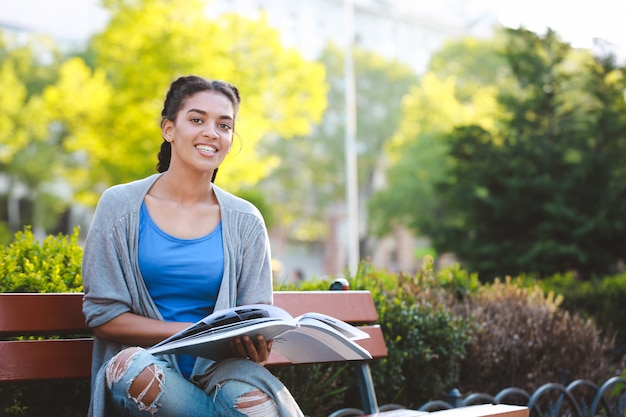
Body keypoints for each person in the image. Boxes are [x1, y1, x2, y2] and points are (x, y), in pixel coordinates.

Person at [82, 75, 304, 417]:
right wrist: (190, 334)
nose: (211, 132)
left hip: (221, 374)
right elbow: (103, 317)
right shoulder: (120, 207)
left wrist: (257, 349)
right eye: (197, 120)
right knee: (133, 368)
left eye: (224, 125)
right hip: (143, 371)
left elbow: (254, 320)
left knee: (256, 405)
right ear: (169, 129)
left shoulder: (246, 221)